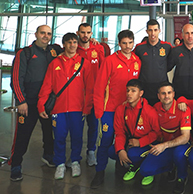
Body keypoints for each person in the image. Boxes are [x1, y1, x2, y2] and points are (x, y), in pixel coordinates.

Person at [9, 25, 62, 181]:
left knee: (49, 132)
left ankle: (48, 155)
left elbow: (73, 47)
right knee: (23, 135)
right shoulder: (24, 53)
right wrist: (21, 101)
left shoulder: (54, 51)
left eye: (49, 33)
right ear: (36, 34)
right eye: (43, 33)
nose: (46, 36)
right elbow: (16, 79)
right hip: (29, 103)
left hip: (47, 102)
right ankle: (16, 164)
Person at [38, 33, 93, 180]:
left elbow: (89, 88)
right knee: (60, 137)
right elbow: (47, 86)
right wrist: (41, 105)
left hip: (77, 108)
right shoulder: (55, 63)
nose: (72, 45)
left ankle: (75, 161)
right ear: (64, 44)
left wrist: (87, 107)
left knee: (77, 137)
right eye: (69, 42)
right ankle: (60, 163)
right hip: (58, 109)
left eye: (75, 42)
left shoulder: (84, 63)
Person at [91, 29, 141, 188]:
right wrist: (99, 111)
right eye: (124, 43)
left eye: (130, 43)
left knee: (125, 141)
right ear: (119, 44)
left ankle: (121, 168)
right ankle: (100, 172)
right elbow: (99, 86)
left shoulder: (137, 61)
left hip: (128, 110)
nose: (128, 46)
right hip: (109, 109)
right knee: (105, 141)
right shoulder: (110, 61)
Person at [140, 82, 192, 194]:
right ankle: (171, 166)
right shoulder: (155, 108)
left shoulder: (183, 109)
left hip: (180, 145)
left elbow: (186, 137)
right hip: (163, 145)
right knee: (145, 170)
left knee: (179, 154)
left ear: (174, 94)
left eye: (169, 93)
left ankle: (182, 177)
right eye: (163, 93)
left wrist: (164, 145)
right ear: (158, 96)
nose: (166, 96)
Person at [110, 79, 160, 186]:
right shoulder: (121, 109)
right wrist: (120, 150)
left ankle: (146, 165)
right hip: (131, 142)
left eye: (133, 91)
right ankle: (134, 165)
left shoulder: (150, 111)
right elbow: (119, 132)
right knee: (111, 151)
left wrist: (140, 142)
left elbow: (157, 134)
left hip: (147, 144)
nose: (129, 94)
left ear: (141, 93)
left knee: (132, 154)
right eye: (127, 90)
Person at [76, 22, 105, 166]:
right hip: (77, 96)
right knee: (77, 127)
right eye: (82, 32)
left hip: (93, 95)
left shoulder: (98, 48)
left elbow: (103, 70)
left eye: (88, 32)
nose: (85, 35)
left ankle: (91, 152)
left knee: (93, 125)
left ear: (91, 34)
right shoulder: (73, 48)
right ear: (78, 33)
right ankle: (75, 155)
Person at [134, 19, 172, 105]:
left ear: (159, 31)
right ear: (146, 31)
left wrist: (161, 69)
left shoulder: (167, 46)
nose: (153, 33)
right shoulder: (140, 47)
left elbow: (171, 63)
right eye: (150, 30)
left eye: (155, 30)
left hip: (161, 88)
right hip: (144, 87)